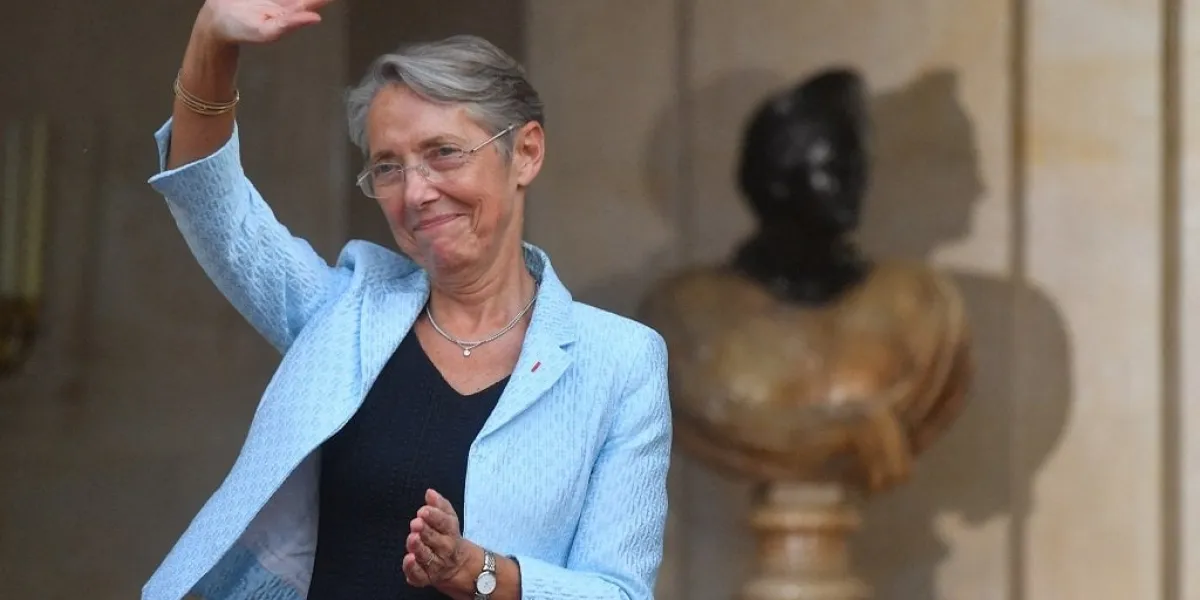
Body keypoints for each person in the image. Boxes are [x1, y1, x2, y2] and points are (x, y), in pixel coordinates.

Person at [141, 1, 672, 599]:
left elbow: (620, 592)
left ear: (525, 152)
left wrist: (475, 571)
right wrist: (212, 39)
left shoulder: (620, 361)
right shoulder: (345, 311)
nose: (416, 192)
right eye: (388, 167)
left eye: (443, 152)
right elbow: (212, 203)